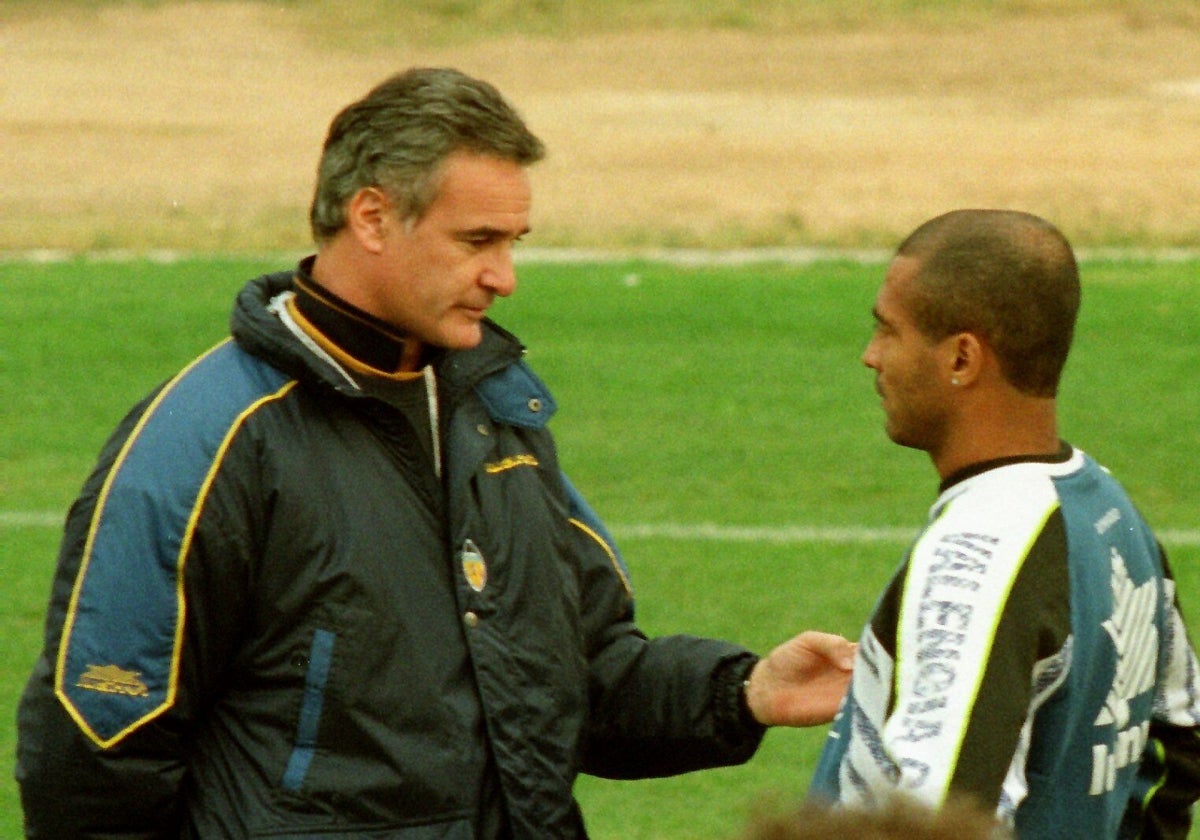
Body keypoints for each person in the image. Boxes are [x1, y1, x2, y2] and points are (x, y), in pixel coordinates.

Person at [15, 67, 854, 839]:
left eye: (513, 242)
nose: (505, 277)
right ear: (372, 216)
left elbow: (578, 677)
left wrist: (744, 693)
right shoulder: (206, 440)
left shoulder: (495, 408)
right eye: (477, 241)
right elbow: (97, 751)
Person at [808, 209, 1200, 837]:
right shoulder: (1112, 513)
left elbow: (941, 821)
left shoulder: (978, 554)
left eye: (889, 331)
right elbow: (1173, 741)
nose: (870, 356)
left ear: (962, 357)